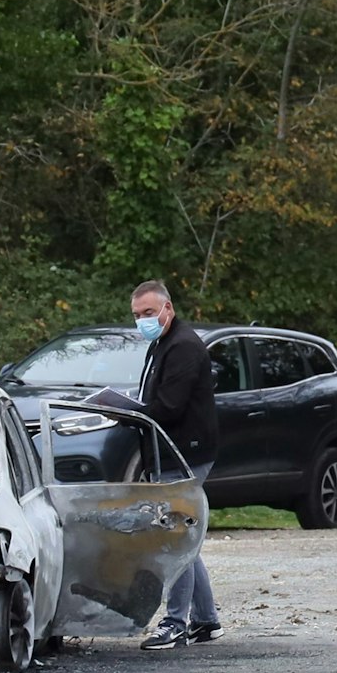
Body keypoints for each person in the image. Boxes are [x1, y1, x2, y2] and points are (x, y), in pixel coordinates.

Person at [131, 279, 224, 651]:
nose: (143, 321)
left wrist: (131, 415)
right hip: (173, 451)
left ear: (167, 309)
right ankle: (205, 619)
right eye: (137, 315)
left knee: (175, 537)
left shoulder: (183, 346)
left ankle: (176, 623)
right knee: (185, 540)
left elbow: (169, 406)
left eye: (149, 313)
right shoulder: (163, 343)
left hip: (186, 452)